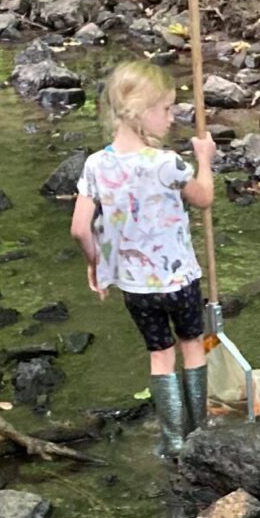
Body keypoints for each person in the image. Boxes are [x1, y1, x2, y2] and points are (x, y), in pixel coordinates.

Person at [70, 61, 216, 458]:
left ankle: (172, 440)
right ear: (140, 113)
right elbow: (203, 197)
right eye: (166, 109)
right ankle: (199, 430)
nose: (172, 118)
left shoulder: (96, 165)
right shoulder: (167, 162)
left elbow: (81, 229)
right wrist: (204, 158)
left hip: (136, 288)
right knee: (192, 346)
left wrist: (94, 265)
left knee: (159, 354)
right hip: (180, 280)